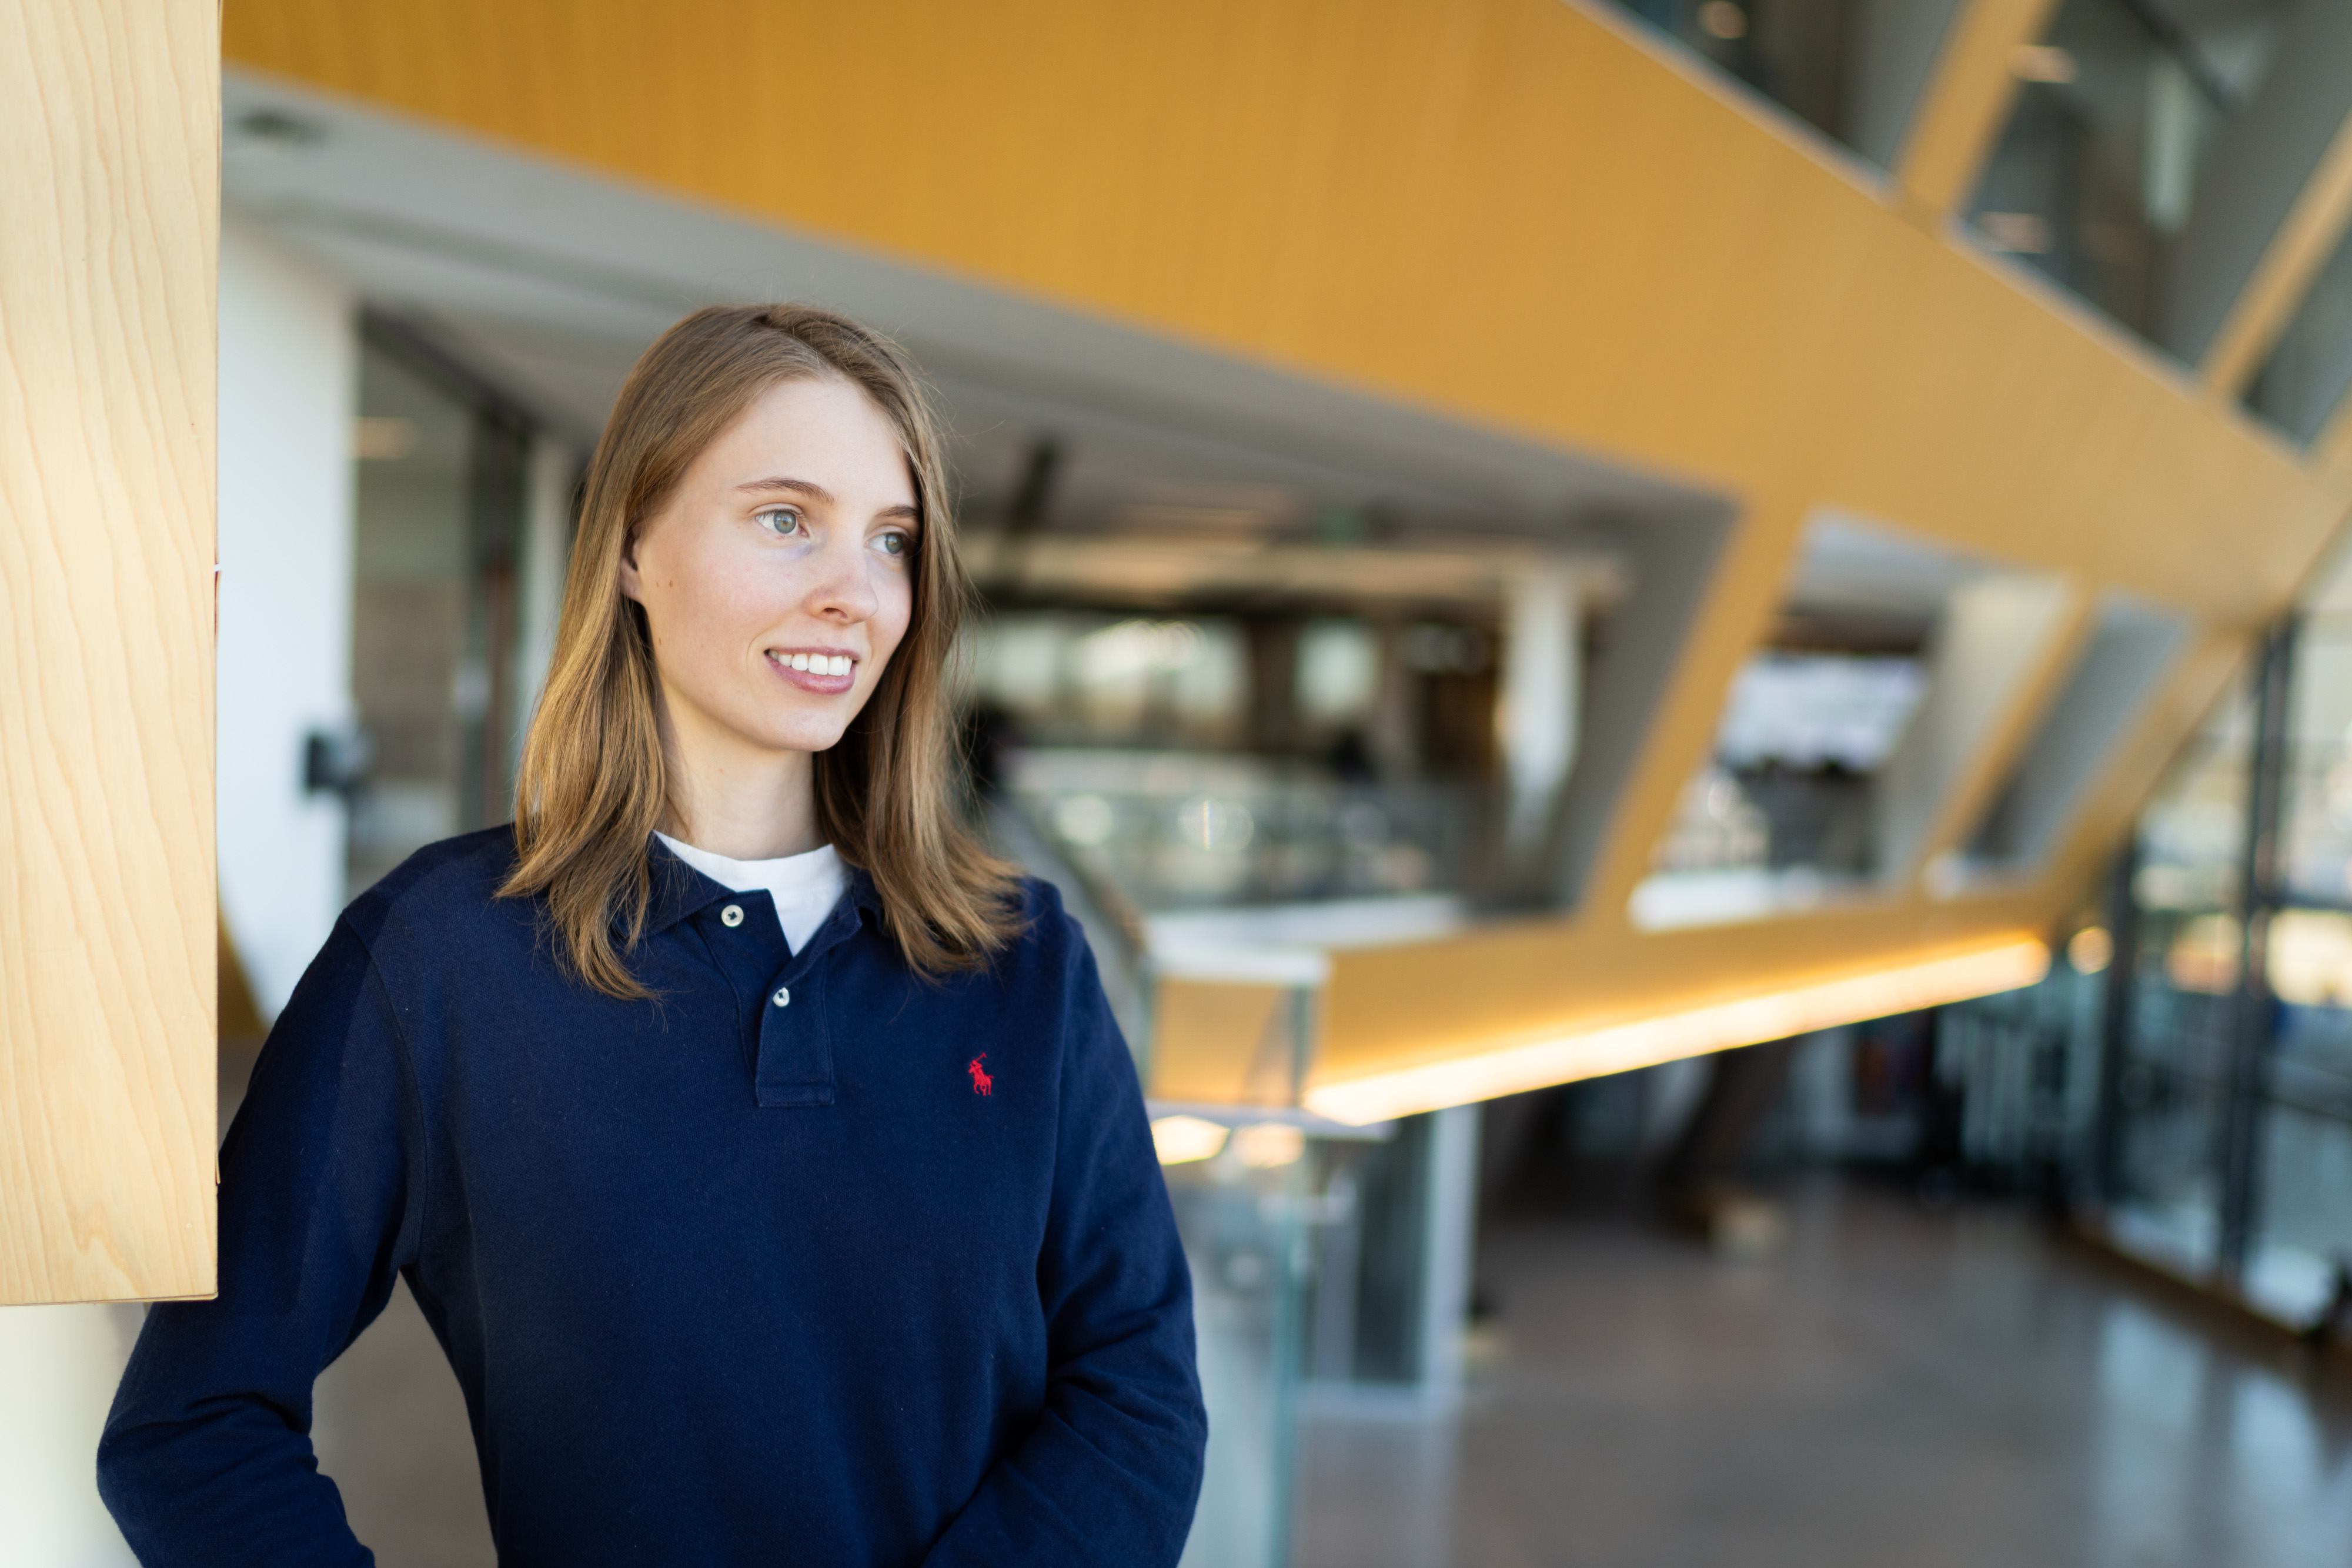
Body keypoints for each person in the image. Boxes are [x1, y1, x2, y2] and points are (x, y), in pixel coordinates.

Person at [98, 305, 1207, 1565]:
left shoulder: (1024, 962)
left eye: (889, 540)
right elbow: (190, 1421)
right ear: (632, 541)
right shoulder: (441, 958)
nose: (853, 592)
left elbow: (1138, 1395)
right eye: (786, 520)